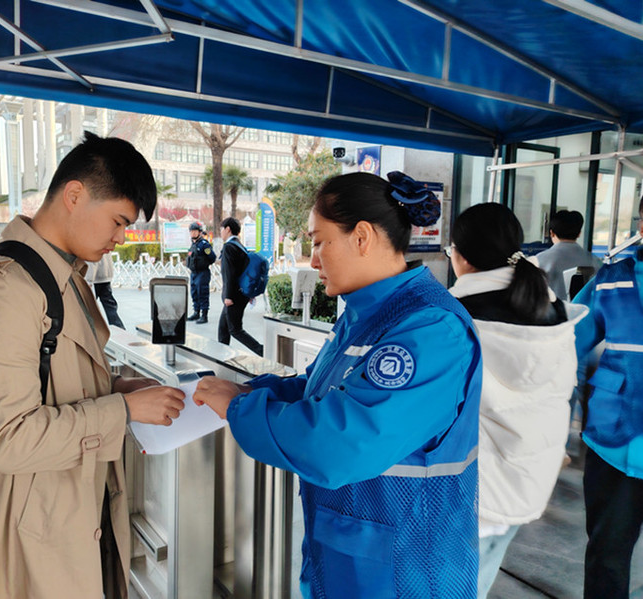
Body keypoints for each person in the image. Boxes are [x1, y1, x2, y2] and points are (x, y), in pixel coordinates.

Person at [195, 172, 483, 598]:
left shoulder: (430, 329)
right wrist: (249, 392)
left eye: (317, 242)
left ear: (362, 237)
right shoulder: (362, 315)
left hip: (407, 568)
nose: (312, 261)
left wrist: (239, 410)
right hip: (350, 552)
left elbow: (342, 442)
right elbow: (317, 390)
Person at [0, 132, 186, 599]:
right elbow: (6, 437)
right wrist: (124, 411)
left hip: (69, 505)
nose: (120, 239)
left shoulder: (63, 274)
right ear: (75, 195)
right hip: (23, 528)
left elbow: (50, 377)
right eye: (118, 221)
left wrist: (118, 385)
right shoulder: (3, 289)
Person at [447, 203, 587, 598]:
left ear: (461, 255)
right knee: (478, 580)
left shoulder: (456, 317)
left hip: (478, 492)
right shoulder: (552, 307)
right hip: (530, 479)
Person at [572, 195, 643, 599]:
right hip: (614, 442)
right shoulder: (613, 279)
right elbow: (567, 339)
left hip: (614, 438)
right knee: (607, 556)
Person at [217, 217, 264, 356]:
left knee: (235, 330)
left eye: (221, 229)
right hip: (241, 294)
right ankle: (221, 355)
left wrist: (228, 297)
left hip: (234, 296)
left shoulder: (229, 247)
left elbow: (229, 274)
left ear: (227, 229)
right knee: (223, 328)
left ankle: (263, 351)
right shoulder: (240, 246)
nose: (221, 232)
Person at [535, 209, 601, 300]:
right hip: (585, 312)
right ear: (579, 234)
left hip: (549, 312)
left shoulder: (539, 260)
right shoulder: (595, 261)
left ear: (552, 233)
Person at [186, 221, 215, 324]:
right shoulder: (193, 245)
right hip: (194, 273)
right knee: (194, 293)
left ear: (199, 232)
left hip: (202, 273)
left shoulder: (204, 245)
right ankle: (196, 312)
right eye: (191, 231)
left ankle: (204, 315)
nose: (193, 233)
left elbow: (212, 257)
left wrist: (204, 263)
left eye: (195, 231)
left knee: (202, 292)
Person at [86, 252, 124, 329]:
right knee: (109, 305)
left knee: (89, 306)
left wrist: (89, 279)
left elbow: (92, 259)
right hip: (105, 276)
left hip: (95, 278)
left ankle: (91, 331)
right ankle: (119, 328)